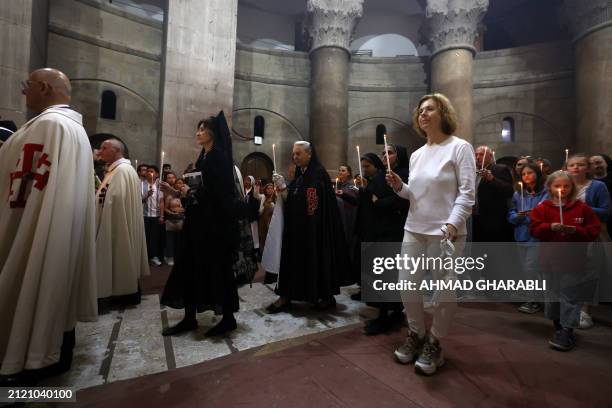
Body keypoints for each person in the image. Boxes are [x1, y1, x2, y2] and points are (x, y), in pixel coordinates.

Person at [0, 68, 97, 385]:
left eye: (26, 86)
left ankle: (27, 355)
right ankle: (50, 350)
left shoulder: (50, 126)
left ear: (43, 87)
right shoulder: (73, 129)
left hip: (35, 222)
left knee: (31, 280)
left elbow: (26, 182)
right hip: (54, 224)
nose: (24, 92)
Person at [386, 93, 476, 376]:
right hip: (414, 228)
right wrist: (401, 187)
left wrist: (452, 224)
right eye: (420, 110)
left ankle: (435, 342)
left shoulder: (460, 148)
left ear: (444, 113)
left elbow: (467, 193)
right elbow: (415, 194)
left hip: (445, 233)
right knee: (406, 285)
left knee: (443, 292)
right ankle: (416, 334)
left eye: (429, 109)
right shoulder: (416, 154)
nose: (422, 114)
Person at [161, 112, 240, 337]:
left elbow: (220, 194)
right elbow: (199, 193)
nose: (198, 132)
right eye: (198, 129)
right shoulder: (204, 156)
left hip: (214, 227)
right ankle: (189, 318)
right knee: (190, 267)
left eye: (202, 129)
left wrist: (192, 191)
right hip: (198, 223)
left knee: (217, 270)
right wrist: (177, 191)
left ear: (213, 133)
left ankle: (228, 318)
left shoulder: (220, 157)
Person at [266, 141, 350, 313]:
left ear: (309, 155)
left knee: (316, 262)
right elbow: (294, 200)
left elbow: (313, 204)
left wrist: (291, 193)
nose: (294, 157)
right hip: (296, 230)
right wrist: (283, 188)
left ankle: (324, 297)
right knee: (291, 263)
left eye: (298, 154)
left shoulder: (318, 174)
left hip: (314, 230)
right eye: (293, 154)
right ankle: (286, 295)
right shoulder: (300, 175)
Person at [530, 170, 601, 351]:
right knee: (552, 295)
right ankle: (558, 326)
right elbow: (535, 230)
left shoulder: (582, 208)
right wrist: (549, 226)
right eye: (557, 186)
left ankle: (568, 330)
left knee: (570, 296)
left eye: (566, 186)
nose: (562, 189)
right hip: (549, 260)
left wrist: (576, 231)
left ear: (572, 187)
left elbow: (593, 231)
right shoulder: (542, 208)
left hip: (573, 260)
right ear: (550, 187)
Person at [355, 152, 408, 334]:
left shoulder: (404, 173)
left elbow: (402, 200)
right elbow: (370, 200)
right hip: (378, 230)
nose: (385, 155)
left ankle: (387, 315)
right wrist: (365, 190)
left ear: (399, 156)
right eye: (383, 153)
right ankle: (387, 311)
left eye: (390, 152)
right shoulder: (381, 176)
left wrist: (379, 203)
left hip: (393, 231)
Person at [95, 138, 149, 305]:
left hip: (116, 223)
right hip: (116, 220)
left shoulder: (122, 170)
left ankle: (119, 293)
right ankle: (127, 293)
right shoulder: (117, 170)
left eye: (104, 147)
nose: (99, 151)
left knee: (119, 254)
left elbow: (115, 199)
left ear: (116, 151)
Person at [566, 153, 611, 328]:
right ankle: (571, 307)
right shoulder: (565, 185)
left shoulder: (598, 186)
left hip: (590, 235)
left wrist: (582, 208)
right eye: (572, 165)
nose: (576, 168)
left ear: (588, 168)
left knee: (589, 273)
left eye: (580, 164)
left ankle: (585, 311)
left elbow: (606, 211)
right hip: (568, 236)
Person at [507, 163, 548, 313]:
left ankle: (533, 300)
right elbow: (511, 215)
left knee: (531, 268)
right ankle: (534, 297)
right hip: (521, 235)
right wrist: (518, 216)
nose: (526, 176)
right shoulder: (518, 194)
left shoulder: (545, 193)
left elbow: (544, 213)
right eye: (524, 174)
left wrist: (532, 216)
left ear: (537, 174)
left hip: (536, 237)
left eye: (530, 173)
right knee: (526, 269)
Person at [473, 145, 515, 242]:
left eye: (481, 154)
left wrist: (492, 179)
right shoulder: (473, 172)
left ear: (490, 156)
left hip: (494, 220)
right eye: (476, 155)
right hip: (476, 218)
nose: (478, 157)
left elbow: (509, 190)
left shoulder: (499, 169)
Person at [334, 165, 359, 263]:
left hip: (350, 214)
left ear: (348, 173)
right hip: (342, 213)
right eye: (339, 170)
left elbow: (354, 197)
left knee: (348, 237)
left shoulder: (352, 184)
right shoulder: (340, 184)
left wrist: (342, 195)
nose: (340, 172)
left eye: (343, 171)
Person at [141, 165, 164, 266]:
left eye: (152, 171)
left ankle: (154, 256)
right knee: (145, 237)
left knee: (154, 237)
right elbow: (139, 201)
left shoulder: (160, 186)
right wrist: (147, 195)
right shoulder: (141, 185)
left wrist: (162, 215)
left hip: (156, 216)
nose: (149, 173)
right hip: (144, 215)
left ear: (157, 174)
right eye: (148, 171)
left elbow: (161, 201)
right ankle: (144, 258)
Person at [160, 171, 181, 265]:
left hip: (180, 218)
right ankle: (169, 256)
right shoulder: (163, 190)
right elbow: (162, 204)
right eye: (169, 177)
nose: (171, 179)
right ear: (165, 179)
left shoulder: (179, 188)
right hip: (168, 217)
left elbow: (180, 196)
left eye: (173, 177)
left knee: (179, 239)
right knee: (169, 239)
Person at [258, 182, 277, 252]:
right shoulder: (263, 197)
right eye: (268, 188)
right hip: (263, 222)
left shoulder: (276, 198)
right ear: (265, 190)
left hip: (272, 223)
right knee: (263, 239)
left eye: (271, 188)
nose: (269, 190)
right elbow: (256, 195)